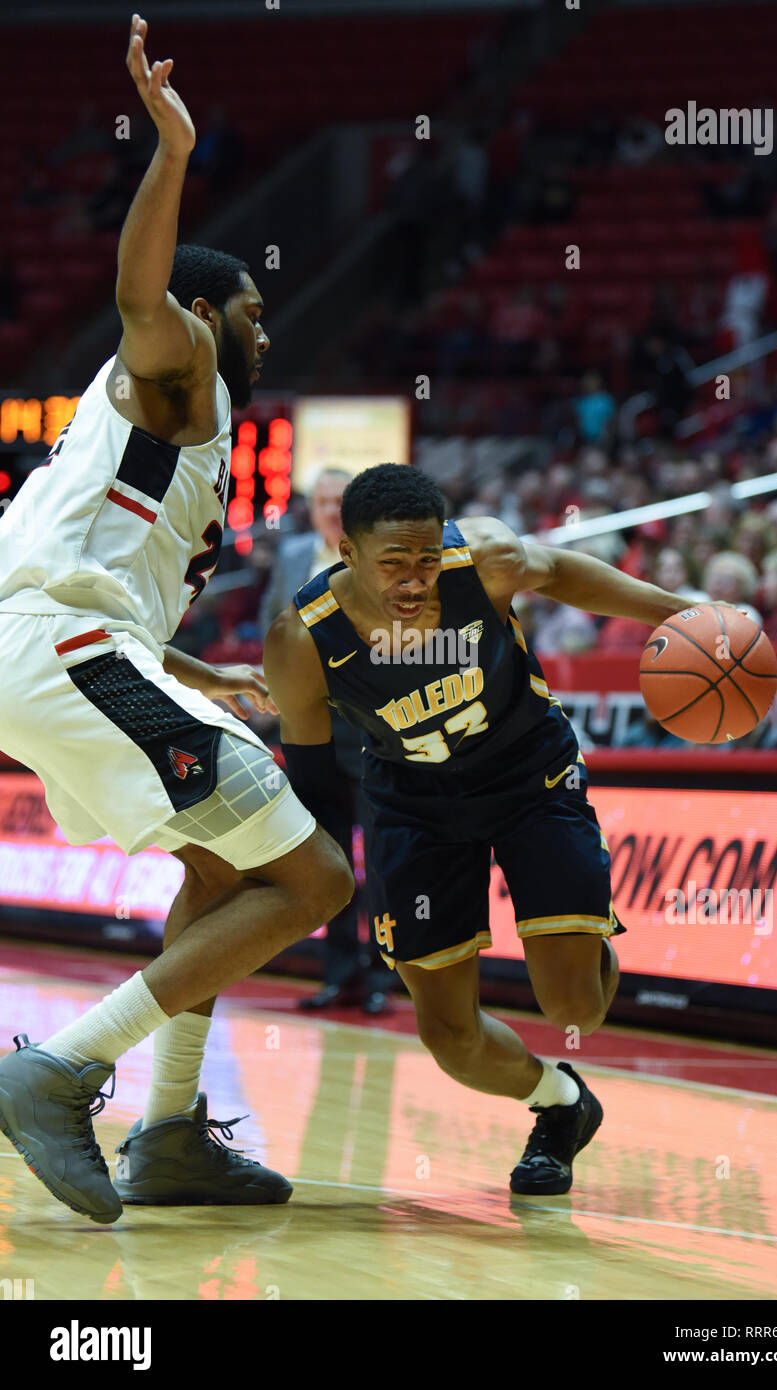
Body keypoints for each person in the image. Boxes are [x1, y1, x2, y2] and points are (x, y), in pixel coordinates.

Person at [0, 15, 354, 1226]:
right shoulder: (180, 363)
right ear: (207, 316)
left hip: (63, 653)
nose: (263, 328)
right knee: (314, 879)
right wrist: (173, 150)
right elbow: (138, 288)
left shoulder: (172, 437)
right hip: (59, 648)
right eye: (249, 309)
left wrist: (202, 667)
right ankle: (56, 1071)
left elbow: (112, 571)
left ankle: (168, 1135)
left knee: (224, 861)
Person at [263, 463, 709, 1196]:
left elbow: (562, 571)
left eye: (427, 559)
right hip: (413, 807)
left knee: (573, 1007)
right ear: (348, 555)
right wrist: (317, 879)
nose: (415, 580)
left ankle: (580, 917)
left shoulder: (487, 560)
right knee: (450, 1040)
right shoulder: (302, 641)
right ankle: (561, 1105)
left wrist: (678, 608)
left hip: (528, 776)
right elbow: (315, 783)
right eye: (393, 564)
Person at [260, 468, 394, 1014]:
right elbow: (275, 627)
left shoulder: (378, 555)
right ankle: (340, 973)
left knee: (382, 856)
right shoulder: (293, 558)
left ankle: (384, 979)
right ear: (309, 508)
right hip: (309, 726)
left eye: (339, 501)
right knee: (328, 858)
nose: (329, 510)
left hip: (370, 724)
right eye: (320, 502)